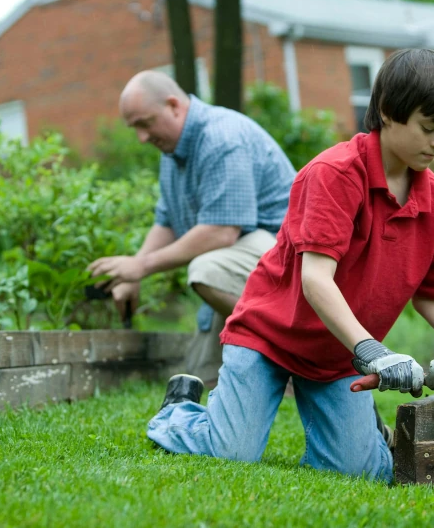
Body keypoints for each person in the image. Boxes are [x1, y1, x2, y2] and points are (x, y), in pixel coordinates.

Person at [145, 49, 434, 482]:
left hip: (339, 354)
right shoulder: (334, 174)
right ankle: (180, 411)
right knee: (230, 453)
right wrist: (375, 352)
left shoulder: (432, 199)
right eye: (429, 127)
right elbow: (316, 280)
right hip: (269, 338)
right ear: (386, 112)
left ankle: (362, 435)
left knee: (359, 472)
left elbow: (433, 299)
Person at [87, 71, 297, 384]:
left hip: (290, 264)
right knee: (199, 377)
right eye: (135, 129)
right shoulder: (172, 151)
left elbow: (221, 232)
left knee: (207, 270)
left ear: (173, 105)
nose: (142, 138)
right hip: (245, 265)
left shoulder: (221, 137)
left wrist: (142, 266)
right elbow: (167, 221)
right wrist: (130, 274)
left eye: (145, 123)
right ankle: (262, 367)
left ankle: (295, 357)